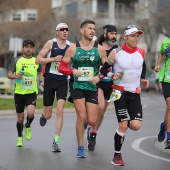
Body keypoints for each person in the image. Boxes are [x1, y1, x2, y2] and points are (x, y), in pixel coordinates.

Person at [58, 20, 115, 158]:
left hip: (92, 87)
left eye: (94, 29)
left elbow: (106, 68)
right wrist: (72, 70)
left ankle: (90, 131)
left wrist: (99, 77)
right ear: (82, 31)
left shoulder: (99, 49)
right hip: (77, 86)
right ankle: (80, 147)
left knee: (91, 121)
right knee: (81, 116)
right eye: (89, 28)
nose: (92, 31)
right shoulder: (73, 48)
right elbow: (61, 67)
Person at [100, 25, 149, 166]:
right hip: (119, 92)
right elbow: (103, 69)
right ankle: (117, 155)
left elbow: (143, 65)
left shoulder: (142, 51)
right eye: (133, 36)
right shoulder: (116, 52)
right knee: (123, 124)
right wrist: (111, 74)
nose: (136, 38)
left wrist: (143, 78)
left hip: (135, 93)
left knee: (135, 125)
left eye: (137, 36)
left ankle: (121, 130)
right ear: (126, 37)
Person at [35, 23, 71, 152]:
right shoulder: (51, 43)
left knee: (60, 110)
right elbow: (37, 60)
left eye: (67, 30)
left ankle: (55, 142)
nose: (65, 32)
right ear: (57, 32)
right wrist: (53, 59)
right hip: (50, 79)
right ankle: (44, 116)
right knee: (49, 114)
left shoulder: (70, 46)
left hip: (62, 81)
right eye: (62, 30)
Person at [86, 24, 119, 151]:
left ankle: (93, 132)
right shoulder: (97, 47)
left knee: (103, 111)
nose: (114, 36)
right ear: (105, 34)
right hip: (97, 81)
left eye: (116, 34)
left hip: (110, 83)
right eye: (112, 34)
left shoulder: (117, 49)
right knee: (99, 107)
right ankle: (91, 128)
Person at [7, 39, 43, 147]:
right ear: (23, 48)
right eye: (26, 47)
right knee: (20, 118)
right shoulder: (16, 60)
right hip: (19, 93)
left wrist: (41, 81)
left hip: (31, 92)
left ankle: (27, 126)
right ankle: (19, 137)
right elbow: (9, 74)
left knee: (31, 113)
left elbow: (40, 72)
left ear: (33, 49)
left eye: (31, 47)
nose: (28, 49)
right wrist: (15, 76)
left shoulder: (36, 61)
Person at [154, 38, 170, 149]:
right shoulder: (166, 43)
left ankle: (164, 126)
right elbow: (161, 52)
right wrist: (158, 64)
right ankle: (169, 138)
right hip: (167, 79)